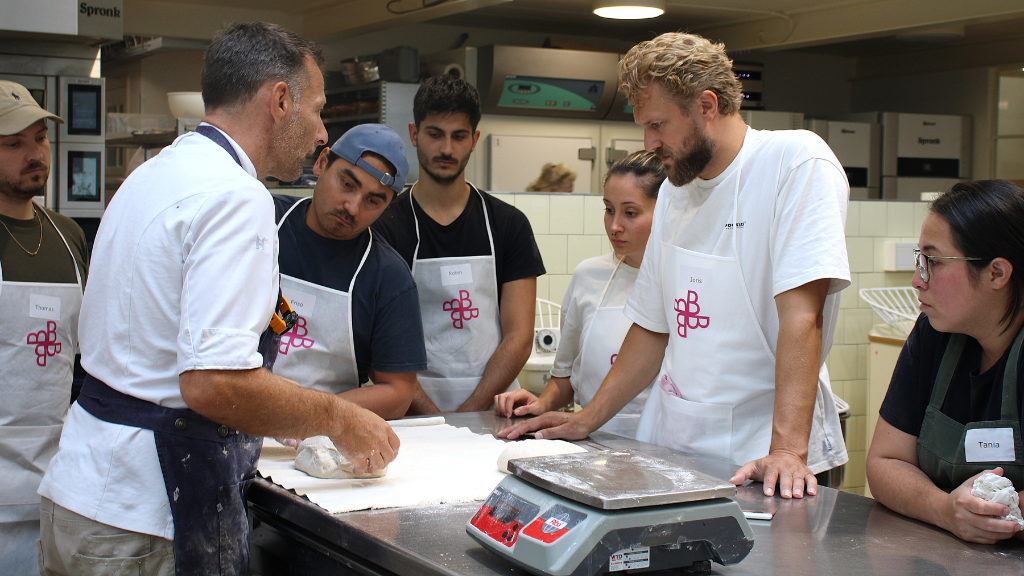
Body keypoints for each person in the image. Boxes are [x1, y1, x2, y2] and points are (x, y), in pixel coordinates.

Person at [37, 23, 399, 576]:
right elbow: (213, 381)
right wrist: (337, 417)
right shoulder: (237, 197)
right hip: (142, 520)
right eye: (318, 110)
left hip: (82, 494)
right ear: (280, 100)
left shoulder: (153, 174)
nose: (322, 133)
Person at [501, 31, 850, 500]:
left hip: (768, 457)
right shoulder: (674, 193)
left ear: (706, 106)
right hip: (680, 444)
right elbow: (652, 327)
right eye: (643, 125)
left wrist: (787, 450)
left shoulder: (795, 164)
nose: (649, 142)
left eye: (659, 125)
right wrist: (587, 418)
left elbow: (802, 316)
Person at [372, 75, 545, 414]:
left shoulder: (508, 225)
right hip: (412, 410)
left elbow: (520, 337)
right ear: (414, 134)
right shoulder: (385, 226)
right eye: (435, 134)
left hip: (495, 409)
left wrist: (471, 413)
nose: (447, 149)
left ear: (475, 139)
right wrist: (435, 420)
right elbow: (378, 342)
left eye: (459, 136)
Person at [867, 180, 1024, 545]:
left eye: (933, 262)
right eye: (919, 260)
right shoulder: (934, 333)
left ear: (996, 274)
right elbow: (884, 463)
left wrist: (996, 511)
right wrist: (946, 509)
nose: (916, 281)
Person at [494, 151, 664, 437]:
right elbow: (566, 379)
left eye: (630, 213)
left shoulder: (681, 284)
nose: (614, 226)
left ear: (665, 210)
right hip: (591, 444)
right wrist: (541, 403)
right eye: (609, 209)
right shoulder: (588, 276)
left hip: (658, 446)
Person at [274, 123, 426, 419]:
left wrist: (311, 412)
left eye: (373, 200)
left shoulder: (389, 277)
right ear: (321, 163)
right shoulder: (262, 221)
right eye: (347, 184)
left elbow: (398, 393)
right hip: (234, 419)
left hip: (325, 437)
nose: (352, 207)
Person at [0, 81, 87, 576]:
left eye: (40, 139)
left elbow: (85, 362)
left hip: (54, 483)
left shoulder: (68, 235)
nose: (35, 154)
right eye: (14, 144)